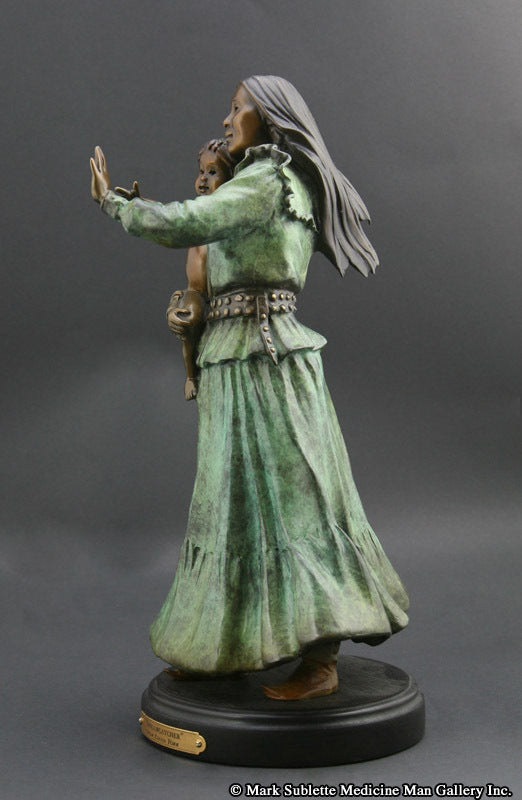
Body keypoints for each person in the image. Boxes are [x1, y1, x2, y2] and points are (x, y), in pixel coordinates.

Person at [90, 75, 409, 700]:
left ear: (270, 118)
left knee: (296, 502)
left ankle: (320, 659)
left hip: (265, 356)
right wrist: (194, 312)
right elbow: (211, 259)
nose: (227, 119)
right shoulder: (258, 180)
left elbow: (191, 221)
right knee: (229, 504)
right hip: (235, 354)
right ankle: (224, 645)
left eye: (238, 109)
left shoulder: (268, 180)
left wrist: (116, 205)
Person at [164, 139, 234, 399]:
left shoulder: (231, 218)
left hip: (225, 296)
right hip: (196, 291)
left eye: (213, 172)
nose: (203, 179)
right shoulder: (195, 216)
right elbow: (167, 219)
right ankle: (190, 376)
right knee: (188, 317)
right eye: (201, 171)